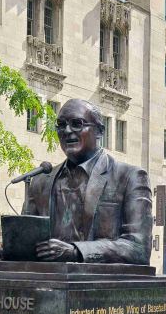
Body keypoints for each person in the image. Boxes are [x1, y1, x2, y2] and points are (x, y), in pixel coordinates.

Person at [23, 99, 153, 264]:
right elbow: (26, 240)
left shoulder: (130, 177)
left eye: (77, 124)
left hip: (98, 278)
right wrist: (12, 248)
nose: (67, 131)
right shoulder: (40, 181)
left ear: (99, 131)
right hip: (49, 277)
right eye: (61, 125)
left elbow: (139, 248)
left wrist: (76, 252)